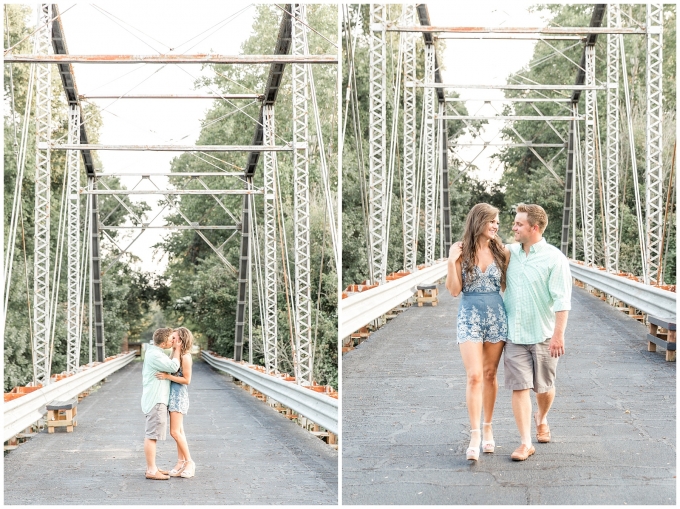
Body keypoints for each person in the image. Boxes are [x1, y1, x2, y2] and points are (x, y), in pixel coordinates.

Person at [503, 203, 571, 461]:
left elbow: (562, 300)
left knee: (544, 387)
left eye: (519, 223)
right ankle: (525, 442)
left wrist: (558, 335)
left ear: (534, 227)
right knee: (519, 388)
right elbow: (480, 245)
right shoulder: (509, 252)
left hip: (544, 335)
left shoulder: (554, 258)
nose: (514, 227)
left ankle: (541, 417)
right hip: (515, 336)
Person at [446, 203, 510, 461]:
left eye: (497, 222)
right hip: (469, 315)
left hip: (496, 315)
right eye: (492, 221)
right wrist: (451, 261)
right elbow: (453, 290)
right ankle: (474, 435)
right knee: (474, 376)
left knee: (490, 374)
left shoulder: (502, 251)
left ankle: (488, 427)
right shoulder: (461, 251)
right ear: (479, 222)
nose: (496, 226)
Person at [155, 327, 195, 478]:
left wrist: (167, 376)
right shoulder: (174, 354)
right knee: (180, 432)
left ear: (181, 340)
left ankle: (190, 462)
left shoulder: (186, 357)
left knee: (174, 432)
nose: (172, 340)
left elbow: (187, 380)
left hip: (179, 396)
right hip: (171, 396)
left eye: (174, 338)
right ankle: (180, 462)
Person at [142, 327, 181, 480]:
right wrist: (177, 349)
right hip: (156, 400)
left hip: (155, 399)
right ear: (164, 342)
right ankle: (151, 471)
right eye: (172, 338)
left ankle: (153, 467)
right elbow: (173, 366)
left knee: (152, 434)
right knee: (152, 436)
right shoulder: (155, 355)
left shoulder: (155, 353)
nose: (174, 341)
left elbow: (169, 365)